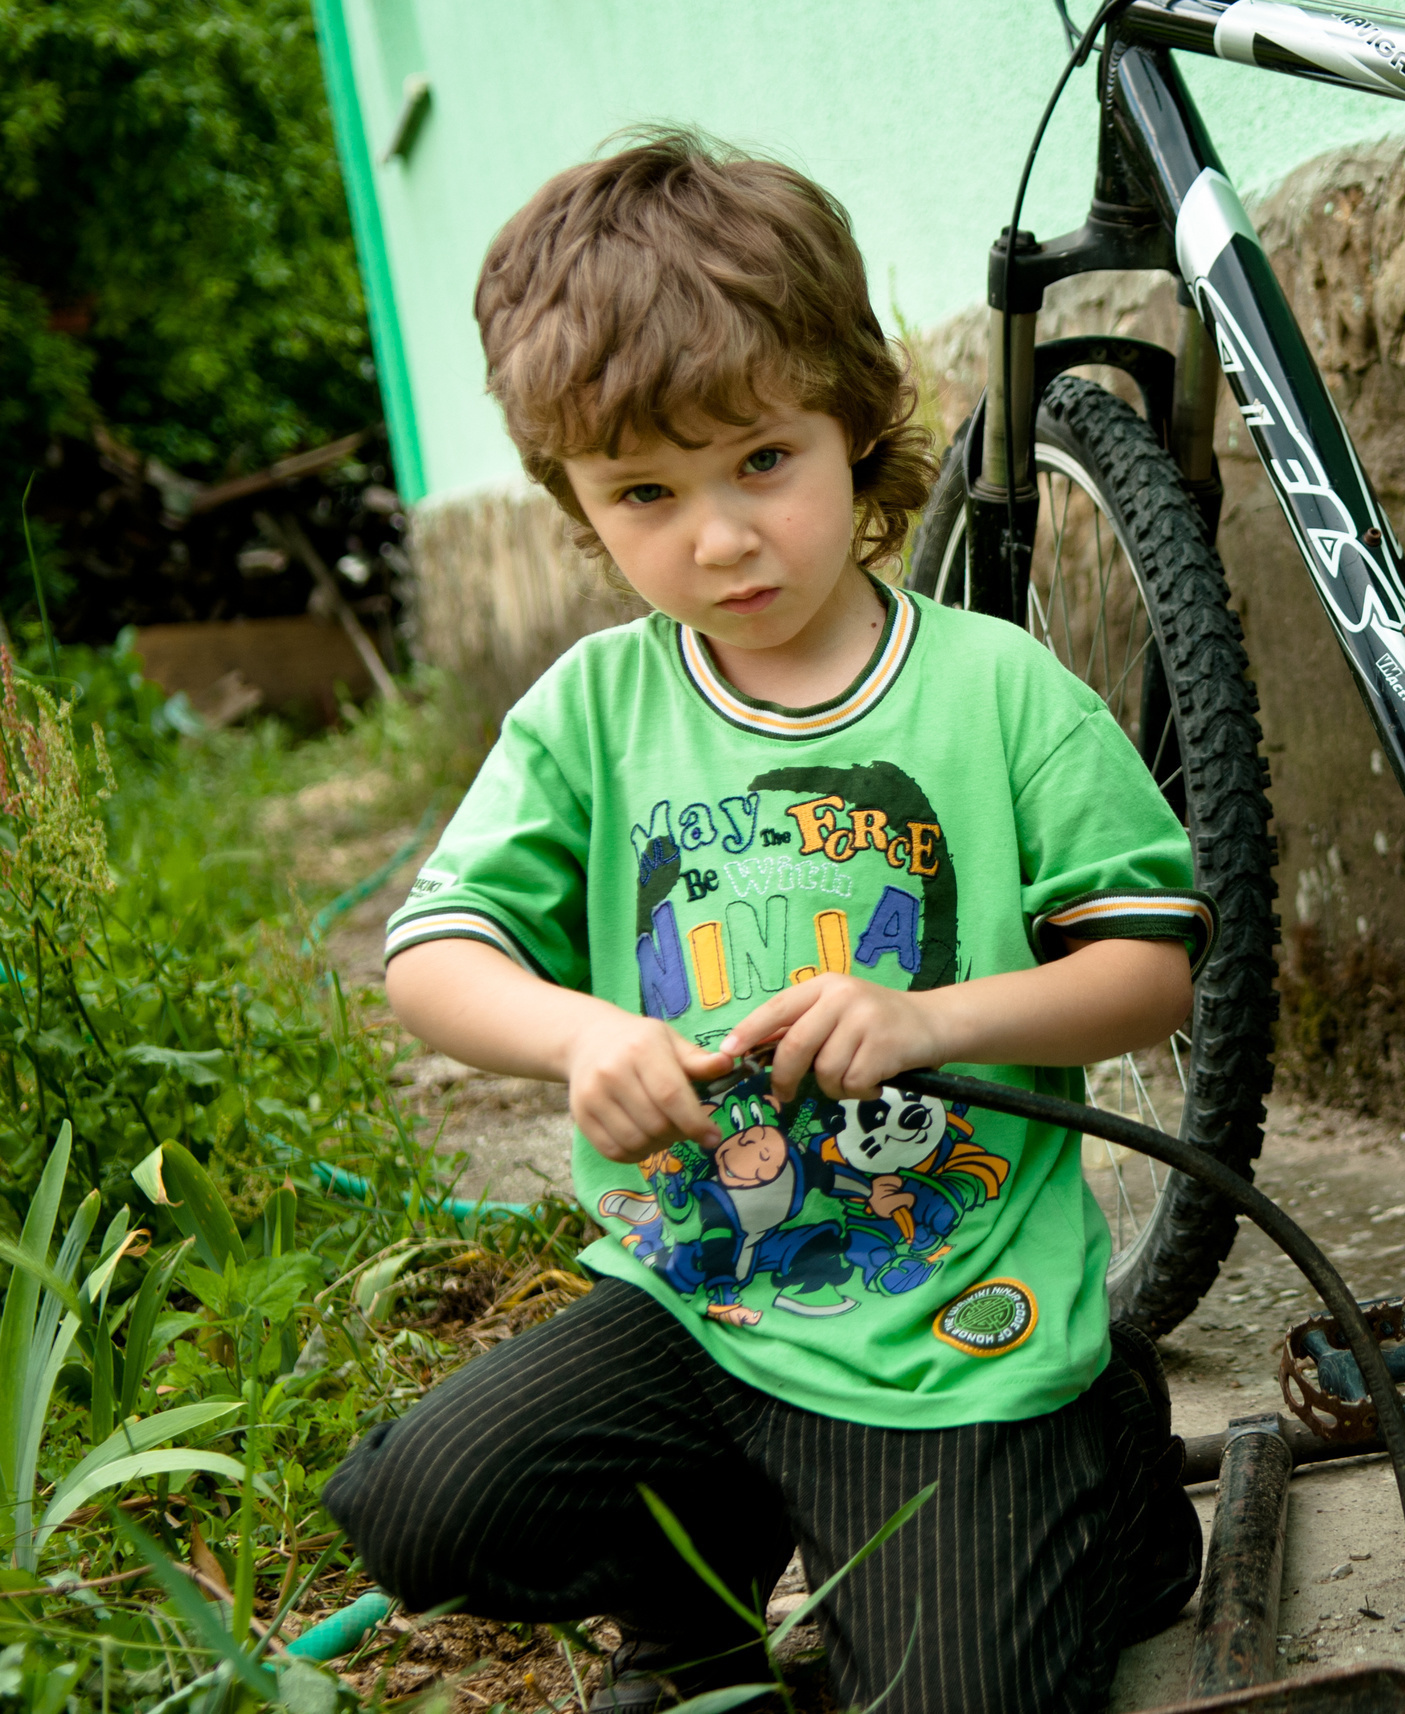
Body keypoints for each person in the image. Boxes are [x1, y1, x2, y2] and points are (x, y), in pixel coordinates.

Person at [323, 129, 1211, 1714]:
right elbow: (433, 955)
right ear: (575, 501)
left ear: (852, 426)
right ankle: (694, 1603)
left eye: (761, 464)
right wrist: (582, 1031)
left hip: (955, 1337)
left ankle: (1106, 1470)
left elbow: (1149, 968)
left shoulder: (993, 690)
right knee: (419, 1501)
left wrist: (936, 1020)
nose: (718, 537)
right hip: (701, 1304)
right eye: (644, 493)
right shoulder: (597, 711)